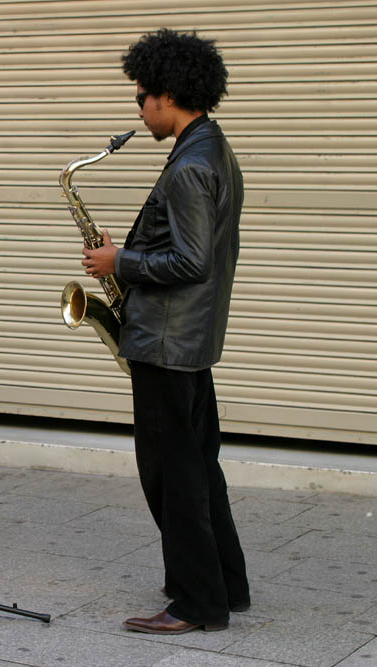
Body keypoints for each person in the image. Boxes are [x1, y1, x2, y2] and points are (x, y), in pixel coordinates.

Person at [80, 28, 250, 634]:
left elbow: (190, 262)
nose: (139, 111)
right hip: (189, 341)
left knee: (170, 474)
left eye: (141, 97)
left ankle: (196, 603)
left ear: (169, 95)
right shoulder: (211, 148)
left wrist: (117, 263)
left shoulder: (189, 166)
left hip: (166, 344)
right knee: (200, 465)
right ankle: (225, 584)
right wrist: (125, 251)